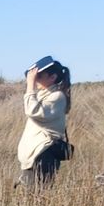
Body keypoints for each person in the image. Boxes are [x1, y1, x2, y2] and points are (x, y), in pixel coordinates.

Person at [18, 56, 72, 186]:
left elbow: (32, 111)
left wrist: (30, 87)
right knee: (31, 195)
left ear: (52, 77)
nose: (35, 79)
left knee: (38, 195)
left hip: (44, 154)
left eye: (39, 76)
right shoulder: (44, 95)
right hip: (34, 157)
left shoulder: (57, 96)